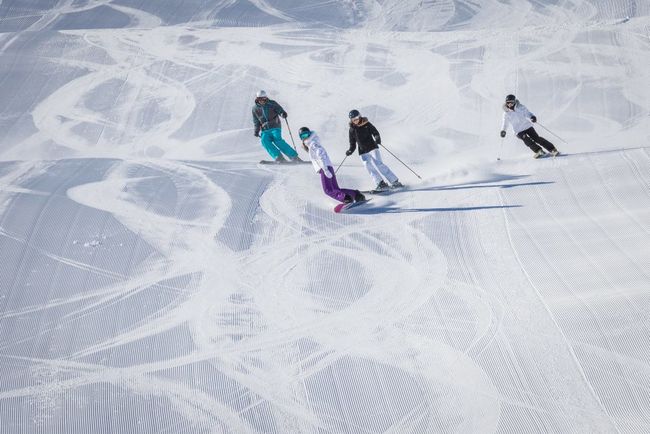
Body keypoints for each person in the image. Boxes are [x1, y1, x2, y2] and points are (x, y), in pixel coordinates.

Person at [299, 126, 365, 204]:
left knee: (328, 190)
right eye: (302, 136)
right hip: (327, 167)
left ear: (309, 134)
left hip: (325, 168)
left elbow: (321, 155)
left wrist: (325, 169)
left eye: (306, 135)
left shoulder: (313, 144)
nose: (305, 137)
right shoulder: (312, 143)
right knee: (335, 189)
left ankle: (346, 198)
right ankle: (356, 195)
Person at [346, 109, 402, 191]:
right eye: (353, 120)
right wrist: (350, 150)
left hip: (372, 147)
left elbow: (375, 132)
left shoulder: (366, 124)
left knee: (378, 164)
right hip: (362, 151)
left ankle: (394, 181)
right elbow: (352, 143)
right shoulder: (351, 130)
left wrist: (377, 138)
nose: (355, 121)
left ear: (360, 116)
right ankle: (380, 183)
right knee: (368, 166)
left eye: (356, 118)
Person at [500, 94, 560, 158]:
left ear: (514, 102)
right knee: (526, 140)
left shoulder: (520, 107)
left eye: (511, 102)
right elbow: (505, 123)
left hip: (527, 126)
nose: (509, 104)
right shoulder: (506, 113)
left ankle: (552, 149)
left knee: (537, 138)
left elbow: (528, 113)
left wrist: (532, 117)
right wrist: (503, 130)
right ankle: (539, 151)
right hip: (518, 131)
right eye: (508, 103)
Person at [252, 90, 302, 163]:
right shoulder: (255, 108)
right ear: (257, 99)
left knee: (277, 139)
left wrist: (282, 113)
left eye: (264, 99)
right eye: (260, 99)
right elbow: (256, 121)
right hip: (265, 129)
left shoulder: (272, 103)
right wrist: (256, 130)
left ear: (266, 98)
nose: (262, 101)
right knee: (264, 141)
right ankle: (278, 157)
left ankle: (294, 157)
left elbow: (280, 110)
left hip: (275, 126)